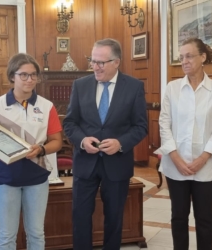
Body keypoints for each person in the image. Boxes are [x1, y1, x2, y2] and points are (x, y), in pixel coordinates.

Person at [0, 53, 62, 250]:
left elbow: (57, 142)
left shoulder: (47, 106)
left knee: (36, 233)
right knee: (7, 236)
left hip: (37, 175)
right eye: (23, 75)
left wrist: (41, 149)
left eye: (34, 75)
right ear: (12, 77)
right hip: (6, 177)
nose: (30, 80)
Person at [63, 38, 148, 250]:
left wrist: (120, 143)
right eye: (93, 61)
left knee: (114, 218)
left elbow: (140, 126)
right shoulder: (80, 85)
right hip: (85, 163)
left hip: (117, 164)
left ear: (116, 62)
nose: (95, 66)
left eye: (101, 62)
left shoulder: (134, 87)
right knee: (80, 217)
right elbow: (70, 122)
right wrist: (82, 140)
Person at [154, 37, 212, 250]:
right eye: (181, 57)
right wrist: (175, 158)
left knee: (204, 217)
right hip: (176, 165)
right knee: (178, 216)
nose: (184, 61)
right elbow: (164, 124)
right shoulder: (172, 88)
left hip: (205, 166)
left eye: (189, 56)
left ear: (203, 57)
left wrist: (203, 158)